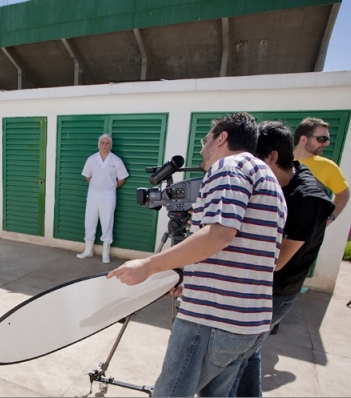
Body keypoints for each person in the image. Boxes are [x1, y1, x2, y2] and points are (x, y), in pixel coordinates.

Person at [107, 112, 287, 397]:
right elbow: (242, 248)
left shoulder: (228, 166)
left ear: (222, 138)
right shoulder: (268, 177)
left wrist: (148, 265)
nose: (202, 149)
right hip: (249, 321)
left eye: (206, 140)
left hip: (212, 319)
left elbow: (219, 234)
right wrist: (190, 278)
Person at [231, 121, 335, 397]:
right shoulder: (271, 182)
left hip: (276, 291)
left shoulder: (309, 198)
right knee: (248, 354)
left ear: (272, 157)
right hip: (255, 284)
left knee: (235, 356)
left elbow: (274, 261)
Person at [76, 134, 129, 263]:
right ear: (99, 144)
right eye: (102, 142)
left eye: (107, 143)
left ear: (111, 145)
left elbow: (122, 178)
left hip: (108, 196)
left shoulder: (116, 160)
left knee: (107, 222)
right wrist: (96, 187)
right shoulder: (92, 159)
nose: (105, 145)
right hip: (93, 195)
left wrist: (110, 188)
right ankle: (88, 250)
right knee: (90, 220)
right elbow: (87, 176)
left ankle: (105, 253)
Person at [293, 117, 349, 227]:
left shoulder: (328, 166)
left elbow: (343, 194)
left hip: (307, 235)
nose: (327, 143)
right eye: (322, 139)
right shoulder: (280, 161)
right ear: (303, 139)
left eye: (328, 139)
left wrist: (329, 218)